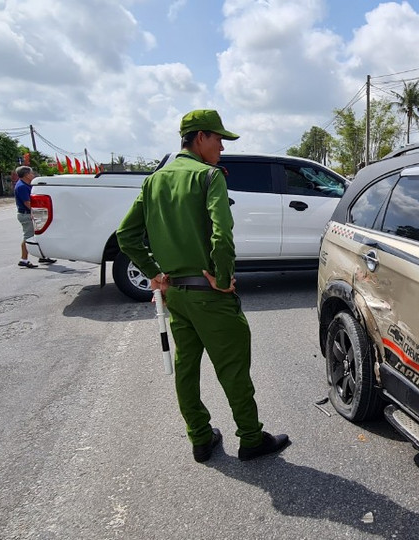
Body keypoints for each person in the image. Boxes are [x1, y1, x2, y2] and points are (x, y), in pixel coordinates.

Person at [116, 109, 290, 463]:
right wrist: (224, 279)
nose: (222, 147)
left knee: (187, 368)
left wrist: (156, 273)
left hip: (177, 294)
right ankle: (251, 438)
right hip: (210, 294)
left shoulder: (154, 181)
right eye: (218, 139)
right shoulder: (209, 177)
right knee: (233, 368)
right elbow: (222, 235)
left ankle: (199, 437)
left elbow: (126, 235)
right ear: (200, 138)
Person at [13, 166, 56, 268]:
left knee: (39, 235)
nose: (33, 175)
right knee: (28, 237)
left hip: (30, 213)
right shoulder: (21, 186)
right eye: (31, 173)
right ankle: (24, 259)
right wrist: (36, 213)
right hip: (27, 214)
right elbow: (27, 203)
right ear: (26, 175)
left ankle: (43, 256)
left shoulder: (27, 185)